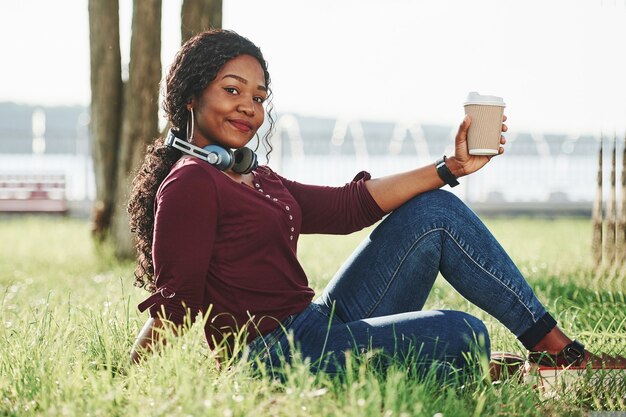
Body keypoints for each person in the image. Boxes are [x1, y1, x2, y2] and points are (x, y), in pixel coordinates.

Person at [127, 29, 617, 379]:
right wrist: (129, 380)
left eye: (258, 97)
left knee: (433, 212)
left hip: (315, 325)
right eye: (231, 90)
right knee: (463, 332)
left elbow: (348, 208)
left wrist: (451, 168)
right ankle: (464, 367)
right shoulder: (190, 183)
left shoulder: (252, 177)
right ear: (191, 97)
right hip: (278, 355)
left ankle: (556, 351)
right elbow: (176, 305)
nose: (248, 107)